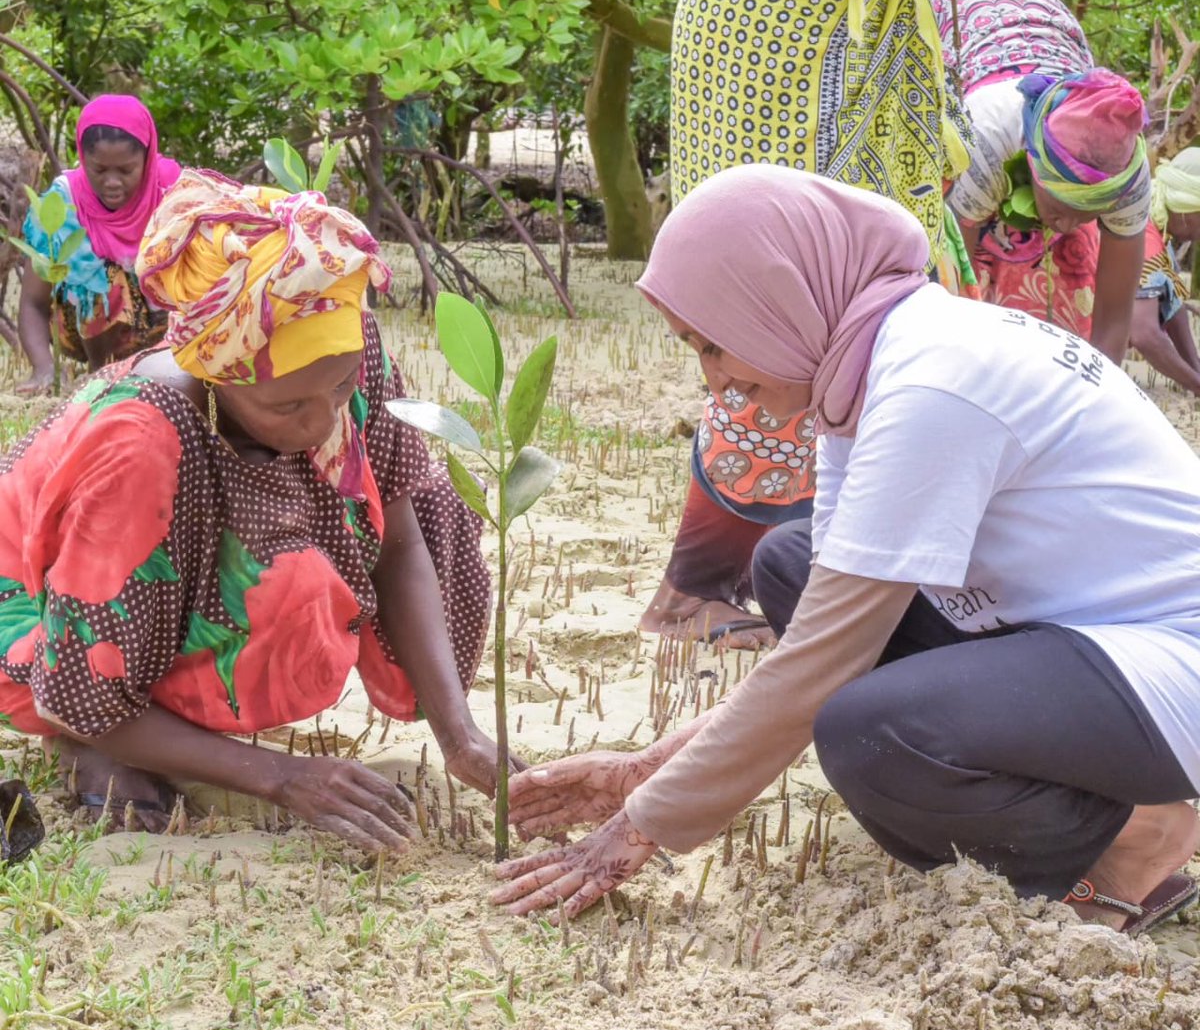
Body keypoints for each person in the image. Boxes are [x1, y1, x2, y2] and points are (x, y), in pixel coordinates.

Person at [492, 166, 1200, 936]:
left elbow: (824, 668)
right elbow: (824, 636)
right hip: (1075, 635)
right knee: (791, 564)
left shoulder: (933, 384)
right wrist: (645, 770)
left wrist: (638, 824)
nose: (718, 383)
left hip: (1167, 661)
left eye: (716, 344)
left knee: (874, 735)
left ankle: (1135, 842)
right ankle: (1111, 807)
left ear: (778, 300)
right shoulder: (864, 370)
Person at [641, 0, 1110, 649]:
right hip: (788, 27)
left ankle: (827, 573)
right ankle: (692, 589)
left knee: (854, 308)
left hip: (852, 24)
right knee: (783, 313)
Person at [0, 169, 509, 850]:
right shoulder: (141, 442)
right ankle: (89, 740)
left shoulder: (346, 351)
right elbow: (80, 668)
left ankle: (156, 725)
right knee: (285, 586)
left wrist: (463, 736)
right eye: (287, 406)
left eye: (338, 387)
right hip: (36, 619)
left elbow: (402, 543)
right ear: (217, 376)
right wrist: (281, 776)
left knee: (431, 494)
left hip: (139, 592)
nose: (323, 419)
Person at [928, 0, 1149, 362]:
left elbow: (1113, 322)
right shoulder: (984, 139)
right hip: (956, 18)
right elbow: (950, 289)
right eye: (1062, 210)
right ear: (1035, 164)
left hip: (1053, 28)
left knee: (1074, 274)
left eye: (1087, 215)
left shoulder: (1128, 175)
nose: (1065, 225)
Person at [17, 95, 182, 392]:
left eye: (126, 170)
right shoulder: (62, 205)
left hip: (168, 337)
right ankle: (101, 374)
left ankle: (156, 371)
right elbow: (32, 302)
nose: (113, 182)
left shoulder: (174, 193)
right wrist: (44, 369)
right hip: (84, 335)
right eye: (100, 170)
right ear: (83, 157)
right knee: (102, 276)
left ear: (147, 158)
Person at [1129, 148, 1200, 396]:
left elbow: (1174, 306)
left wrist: (1195, 371)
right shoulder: (1142, 235)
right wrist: (1197, 385)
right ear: (1186, 208)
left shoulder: (1158, 224)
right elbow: (1145, 336)